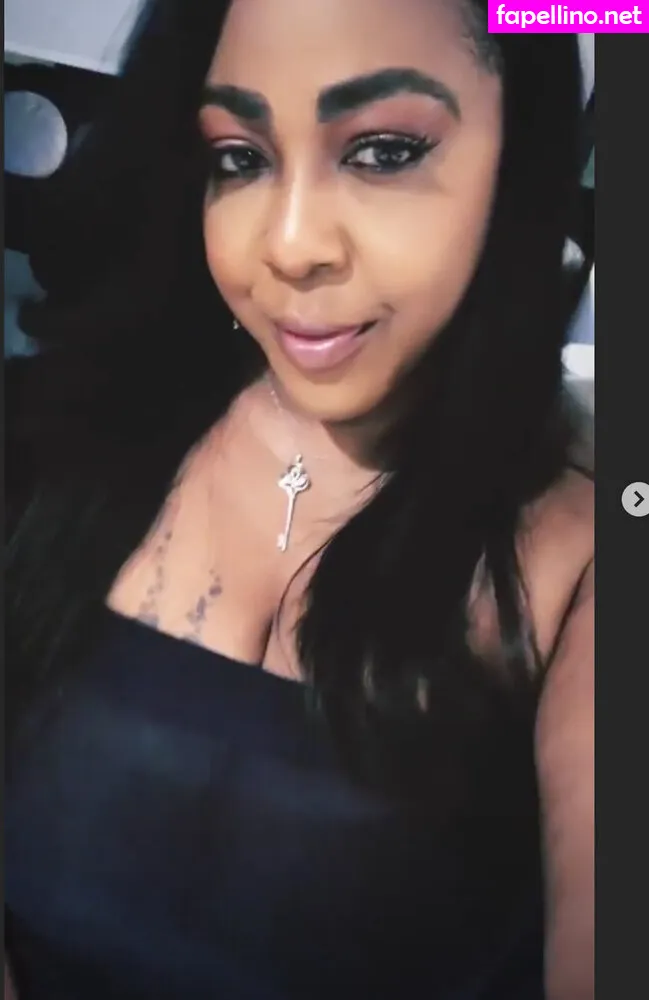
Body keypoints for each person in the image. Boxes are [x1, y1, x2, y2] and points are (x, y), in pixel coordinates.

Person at [5, 1, 594, 998]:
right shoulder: (52, 439)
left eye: (383, 151)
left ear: (516, 156)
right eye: (239, 158)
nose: (288, 246)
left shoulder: (582, 557)